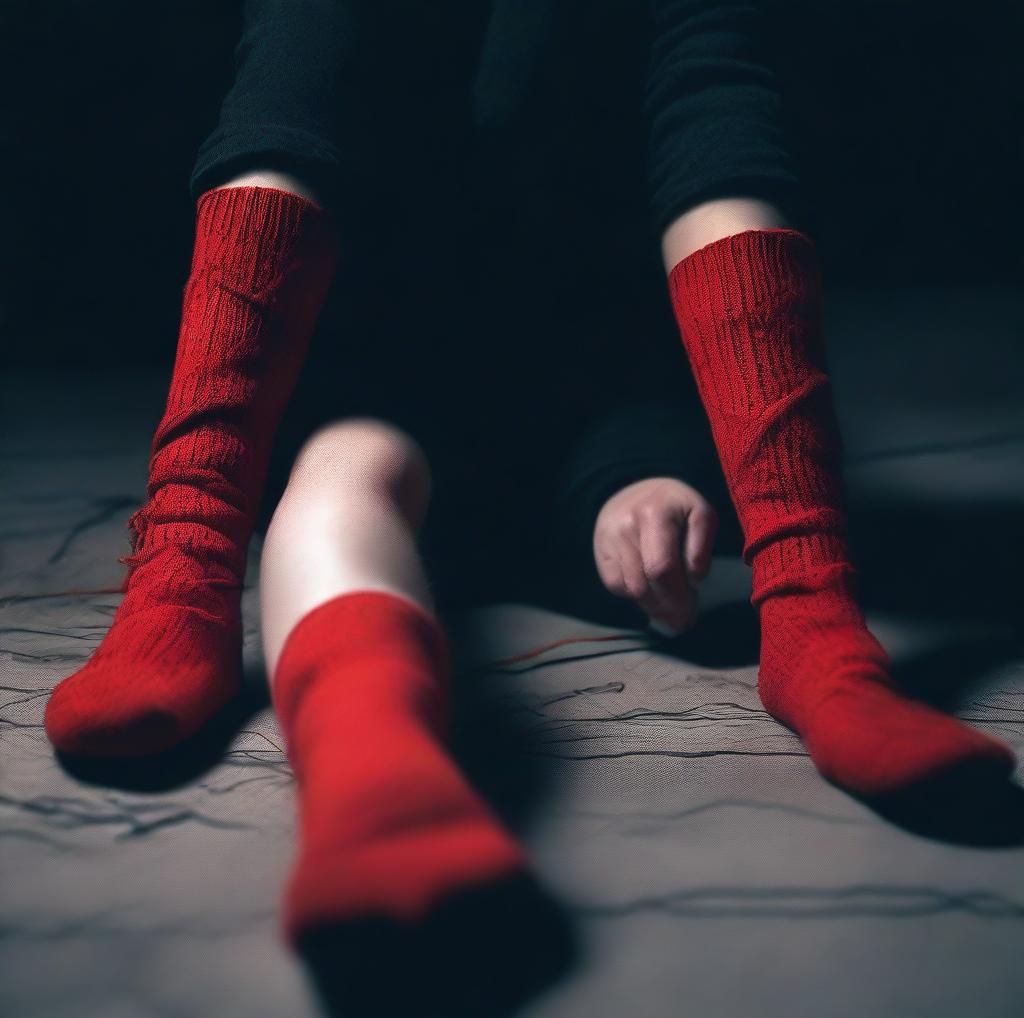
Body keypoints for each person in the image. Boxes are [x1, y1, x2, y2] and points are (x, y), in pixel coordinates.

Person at [44, 0, 1014, 955]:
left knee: (643, 491)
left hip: (596, 383)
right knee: (343, 478)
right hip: (382, 364)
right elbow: (284, 108)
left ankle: (812, 639)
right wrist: (192, 533)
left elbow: (716, 133)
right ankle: (355, 765)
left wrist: (807, 598)